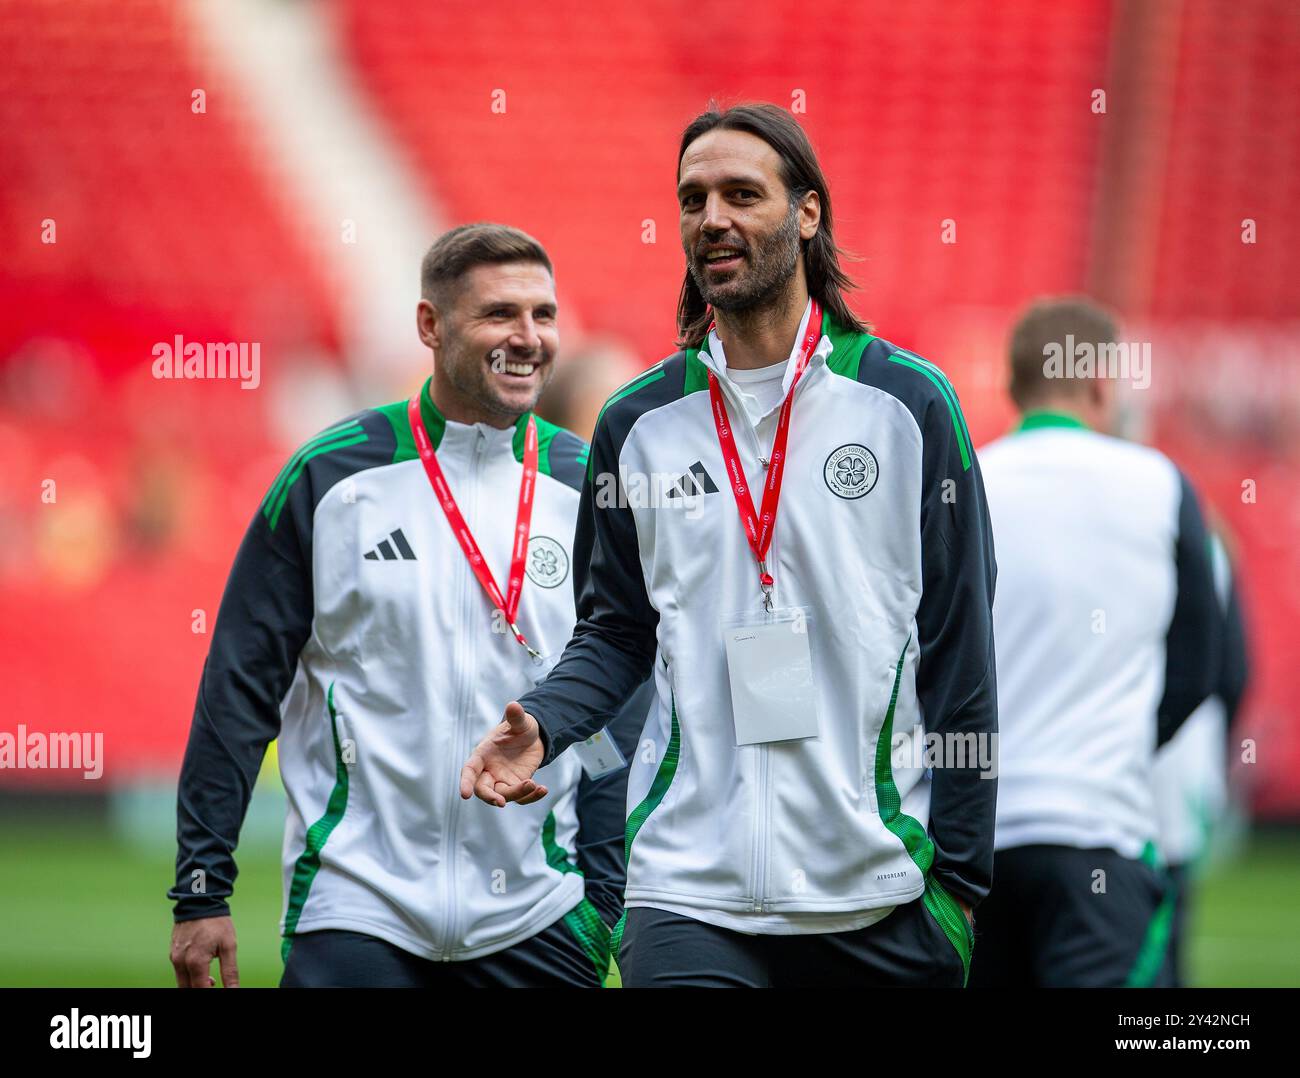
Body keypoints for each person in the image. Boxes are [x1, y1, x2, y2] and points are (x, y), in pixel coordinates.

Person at [460, 103, 997, 988]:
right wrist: (548, 722)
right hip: (688, 892)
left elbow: (959, 643)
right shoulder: (637, 423)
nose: (713, 218)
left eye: (743, 194)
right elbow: (616, 631)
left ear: (807, 213)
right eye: (693, 199)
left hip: (879, 896)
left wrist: (962, 885)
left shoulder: (909, 407)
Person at [168, 223, 648, 988]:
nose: (528, 338)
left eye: (544, 315)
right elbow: (239, 687)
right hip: (357, 915)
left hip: (540, 917)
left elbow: (620, 704)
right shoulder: (328, 479)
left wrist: (603, 899)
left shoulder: (591, 484)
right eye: (499, 314)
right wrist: (201, 887)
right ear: (431, 325)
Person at [970, 296, 1222, 988]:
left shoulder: (966, 483)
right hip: (1101, 838)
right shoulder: (1162, 485)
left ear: (1014, 385)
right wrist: (1118, 745)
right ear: (1102, 381)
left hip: (976, 848)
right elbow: (1201, 665)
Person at [1152, 525, 1250, 986]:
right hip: (1178, 763)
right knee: (1166, 928)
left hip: (1094, 767)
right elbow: (1230, 669)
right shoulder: (1206, 544)